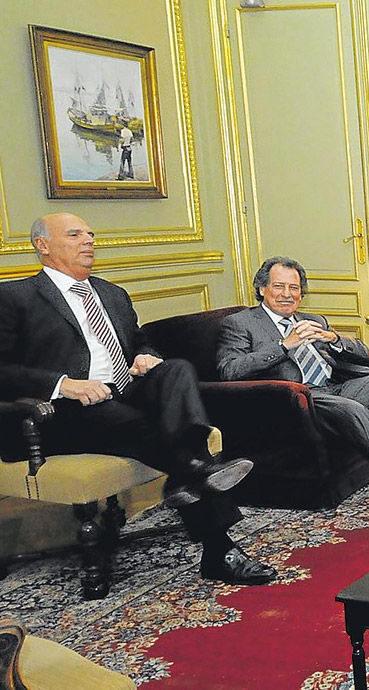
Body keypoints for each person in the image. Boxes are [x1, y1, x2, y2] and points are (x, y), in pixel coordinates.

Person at [0, 213, 275, 586]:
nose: (89, 241)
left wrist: (145, 355)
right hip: (60, 413)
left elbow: (138, 340)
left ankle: (188, 468)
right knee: (150, 429)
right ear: (42, 245)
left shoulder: (112, 294)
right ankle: (214, 530)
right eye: (75, 234)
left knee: (176, 368)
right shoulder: (15, 297)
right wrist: (64, 384)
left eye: (91, 233)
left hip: (122, 393)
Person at [215, 257, 369, 498]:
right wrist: (284, 346)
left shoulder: (314, 320)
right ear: (262, 288)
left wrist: (333, 339)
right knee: (353, 408)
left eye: (294, 288)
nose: (287, 294)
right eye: (279, 286)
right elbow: (230, 370)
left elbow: (361, 352)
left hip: (338, 386)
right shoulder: (240, 324)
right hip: (300, 398)